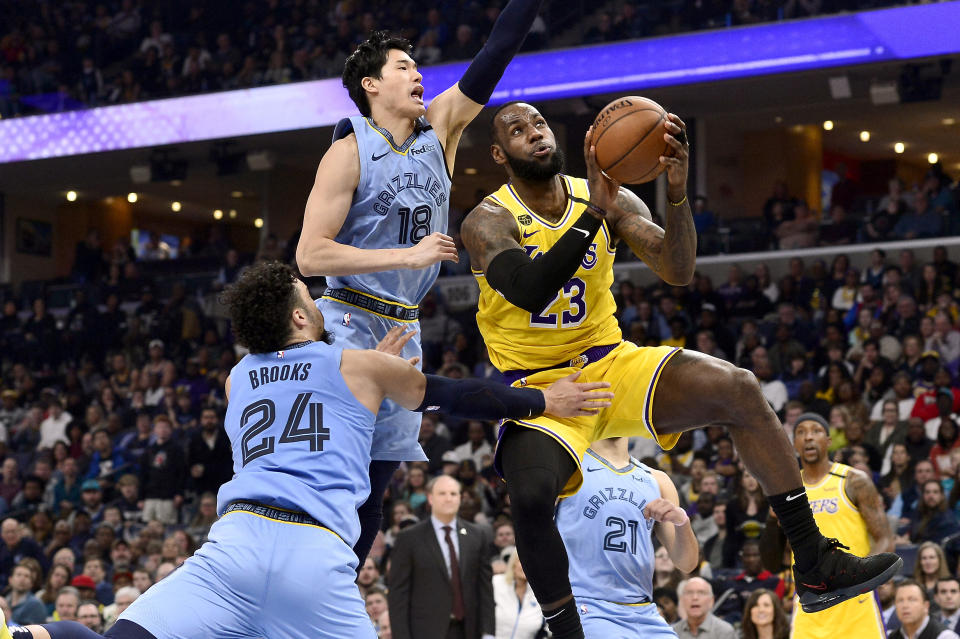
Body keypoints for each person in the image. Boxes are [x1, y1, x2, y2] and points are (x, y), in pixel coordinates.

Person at [460, 100, 901, 638]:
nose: (534, 134)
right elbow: (529, 291)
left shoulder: (610, 196)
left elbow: (678, 268)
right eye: (517, 130)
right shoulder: (488, 219)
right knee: (529, 497)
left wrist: (676, 193)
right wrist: (594, 215)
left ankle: (812, 560)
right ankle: (566, 628)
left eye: (539, 124)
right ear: (498, 153)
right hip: (540, 384)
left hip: (609, 361)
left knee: (739, 388)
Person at [0, 261, 609, 639]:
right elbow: (452, 394)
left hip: (233, 546)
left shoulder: (238, 378)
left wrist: (366, 379)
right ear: (298, 313)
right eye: (308, 293)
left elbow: (307, 396)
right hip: (312, 554)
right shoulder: (356, 364)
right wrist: (540, 402)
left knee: (124, 636)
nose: (318, 298)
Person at [295, 0, 550, 570]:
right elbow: (309, 254)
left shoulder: (440, 126)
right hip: (344, 319)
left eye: (417, 66)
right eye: (403, 67)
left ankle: (337, 591)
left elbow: (494, 54)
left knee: (377, 491)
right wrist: (407, 253)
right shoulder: (347, 149)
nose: (418, 75)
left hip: (404, 322)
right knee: (339, 477)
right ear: (370, 85)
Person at [762, 412, 893, 639]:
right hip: (811, 603)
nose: (808, 437)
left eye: (816, 431)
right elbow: (772, 562)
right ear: (794, 444)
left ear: (828, 441)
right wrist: (773, 521)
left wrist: (861, 577)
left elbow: (884, 538)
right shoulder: (787, 490)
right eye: (801, 432)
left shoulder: (854, 480)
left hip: (854, 602)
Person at [553, 437, 696, 638]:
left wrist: (683, 522)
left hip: (644, 611)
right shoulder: (566, 467)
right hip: (588, 608)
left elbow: (687, 563)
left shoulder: (657, 479)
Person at [387, 475, 494, 639]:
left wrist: (489, 632)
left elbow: (485, 588)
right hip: (424, 631)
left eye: (453, 494)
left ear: (460, 498)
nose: (448, 498)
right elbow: (398, 595)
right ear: (430, 498)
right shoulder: (408, 538)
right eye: (442, 493)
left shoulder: (477, 535)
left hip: (469, 630)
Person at [492, 548, 542, 639]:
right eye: (521, 561)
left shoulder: (541, 595)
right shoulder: (496, 583)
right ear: (513, 564)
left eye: (532, 563)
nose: (526, 566)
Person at [888, 580, 960, 639]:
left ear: (926, 606)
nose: (905, 605)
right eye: (900, 600)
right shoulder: (888, 635)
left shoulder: (945, 636)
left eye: (912, 600)